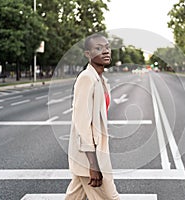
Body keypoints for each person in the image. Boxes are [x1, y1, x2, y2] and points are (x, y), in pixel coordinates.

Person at [65, 34, 120, 200]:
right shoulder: (86, 78)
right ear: (87, 54)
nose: (105, 51)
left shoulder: (100, 79)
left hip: (93, 154)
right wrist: (93, 164)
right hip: (90, 156)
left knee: (74, 197)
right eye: (98, 48)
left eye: (107, 47)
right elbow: (82, 123)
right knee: (111, 197)